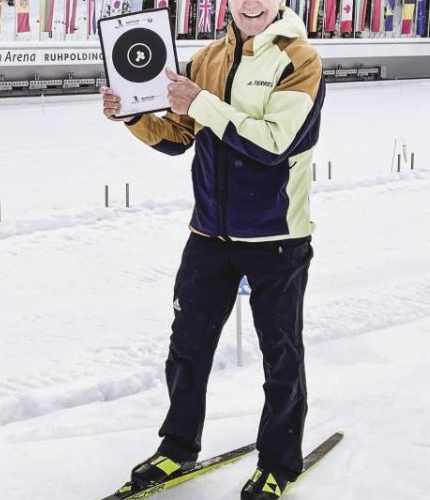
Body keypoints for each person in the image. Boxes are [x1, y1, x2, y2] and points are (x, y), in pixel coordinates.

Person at [100, 1, 324, 498]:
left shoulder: (298, 59)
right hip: (209, 235)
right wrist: (133, 117)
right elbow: (182, 135)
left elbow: (274, 144)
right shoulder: (205, 58)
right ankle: (178, 448)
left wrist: (199, 100)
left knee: (279, 353)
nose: (250, 4)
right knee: (187, 349)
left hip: (276, 238)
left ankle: (278, 462)